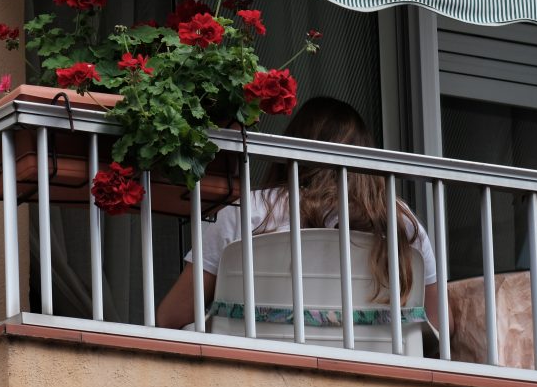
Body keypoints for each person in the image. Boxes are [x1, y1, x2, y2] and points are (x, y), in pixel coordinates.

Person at [156, 97, 440, 332]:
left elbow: (170, 318)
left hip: (254, 369)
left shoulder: (246, 213)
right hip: (372, 372)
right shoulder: (401, 225)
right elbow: (441, 326)